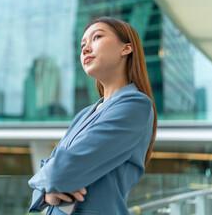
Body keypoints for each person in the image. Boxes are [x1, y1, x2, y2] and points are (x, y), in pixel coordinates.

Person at [28, 17, 157, 214]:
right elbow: (55, 165)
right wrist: (46, 195)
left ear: (126, 48)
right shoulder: (84, 114)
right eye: (82, 45)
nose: (85, 49)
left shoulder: (135, 105)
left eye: (96, 37)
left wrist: (49, 179)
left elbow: (61, 169)